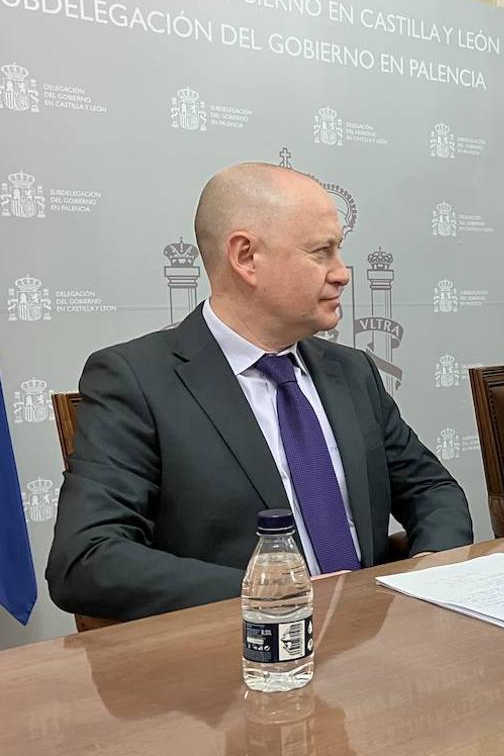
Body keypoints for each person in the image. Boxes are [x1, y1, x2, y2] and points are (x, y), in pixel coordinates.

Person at [47, 163, 472, 621]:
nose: (343, 273)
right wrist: (274, 596)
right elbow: (86, 558)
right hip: (231, 659)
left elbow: (431, 487)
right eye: (322, 252)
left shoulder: (350, 371)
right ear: (246, 256)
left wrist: (431, 569)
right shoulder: (136, 380)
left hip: (367, 650)